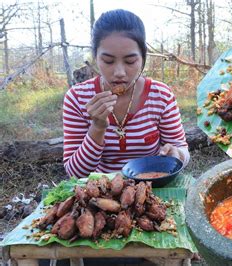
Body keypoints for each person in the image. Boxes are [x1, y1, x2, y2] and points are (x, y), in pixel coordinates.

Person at [62, 9, 189, 178]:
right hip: (100, 193)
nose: (119, 72)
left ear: (142, 58)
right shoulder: (77, 98)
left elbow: (182, 150)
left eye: (130, 61)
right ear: (96, 57)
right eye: (108, 61)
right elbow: (75, 173)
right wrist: (97, 128)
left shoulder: (160, 95)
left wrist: (177, 154)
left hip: (152, 189)